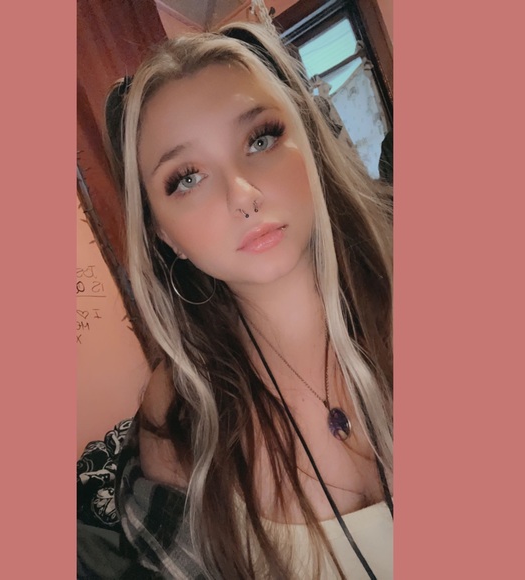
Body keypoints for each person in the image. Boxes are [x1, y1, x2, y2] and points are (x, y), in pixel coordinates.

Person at [106, 19, 393, 580]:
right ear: (162, 233)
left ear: (310, 144)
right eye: (186, 178)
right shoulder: (181, 418)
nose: (243, 195)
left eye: (260, 139)